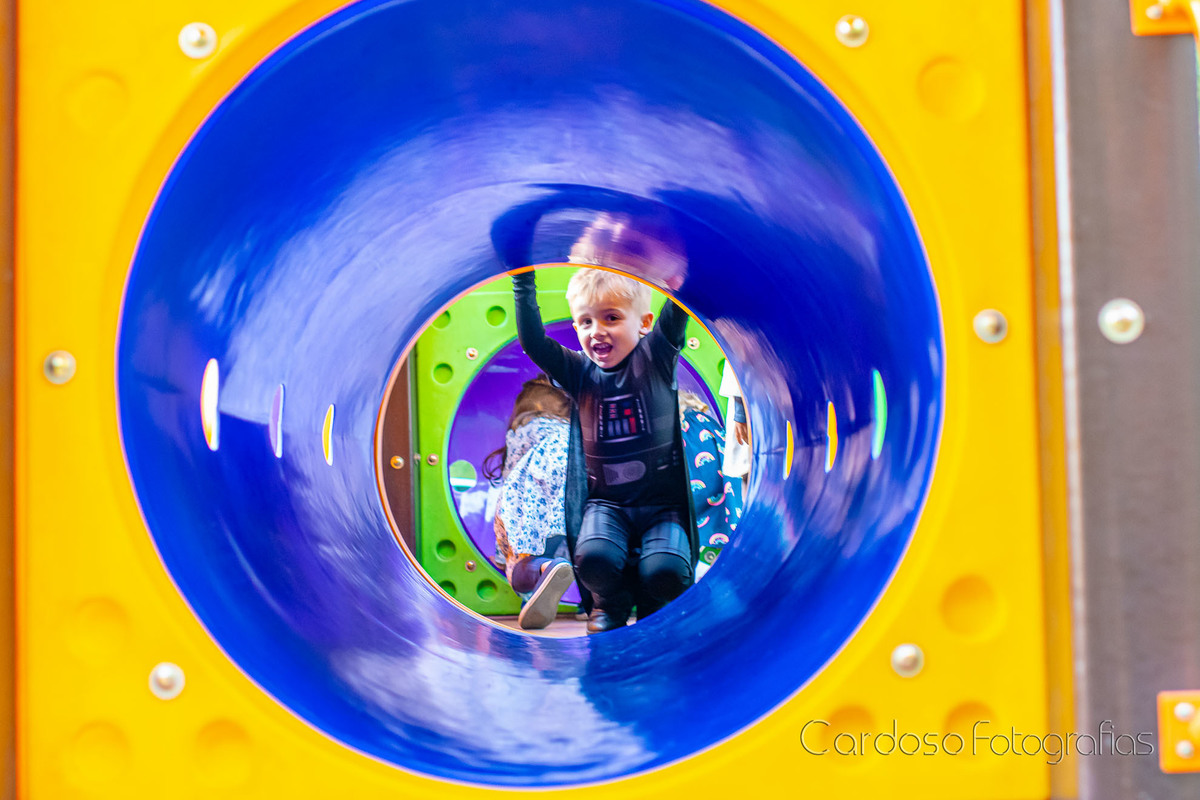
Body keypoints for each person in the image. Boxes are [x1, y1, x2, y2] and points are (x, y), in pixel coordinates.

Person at [512, 267, 696, 633]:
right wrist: (522, 279)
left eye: (611, 317)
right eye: (585, 321)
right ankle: (608, 606)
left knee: (666, 570)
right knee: (593, 557)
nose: (596, 330)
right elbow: (534, 342)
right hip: (607, 503)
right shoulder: (580, 372)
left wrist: (685, 260)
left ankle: (653, 611)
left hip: (662, 505)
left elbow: (680, 305)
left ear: (644, 322)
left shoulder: (656, 357)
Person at [482, 375, 576, 630]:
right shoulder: (571, 433)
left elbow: (512, 487)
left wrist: (504, 555)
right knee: (578, 548)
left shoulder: (521, 432)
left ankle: (541, 573)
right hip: (576, 492)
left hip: (535, 500)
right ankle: (590, 604)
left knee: (523, 565)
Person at [678, 391, 743, 578]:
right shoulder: (701, 421)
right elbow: (731, 469)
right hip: (720, 518)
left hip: (691, 532)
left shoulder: (691, 426)